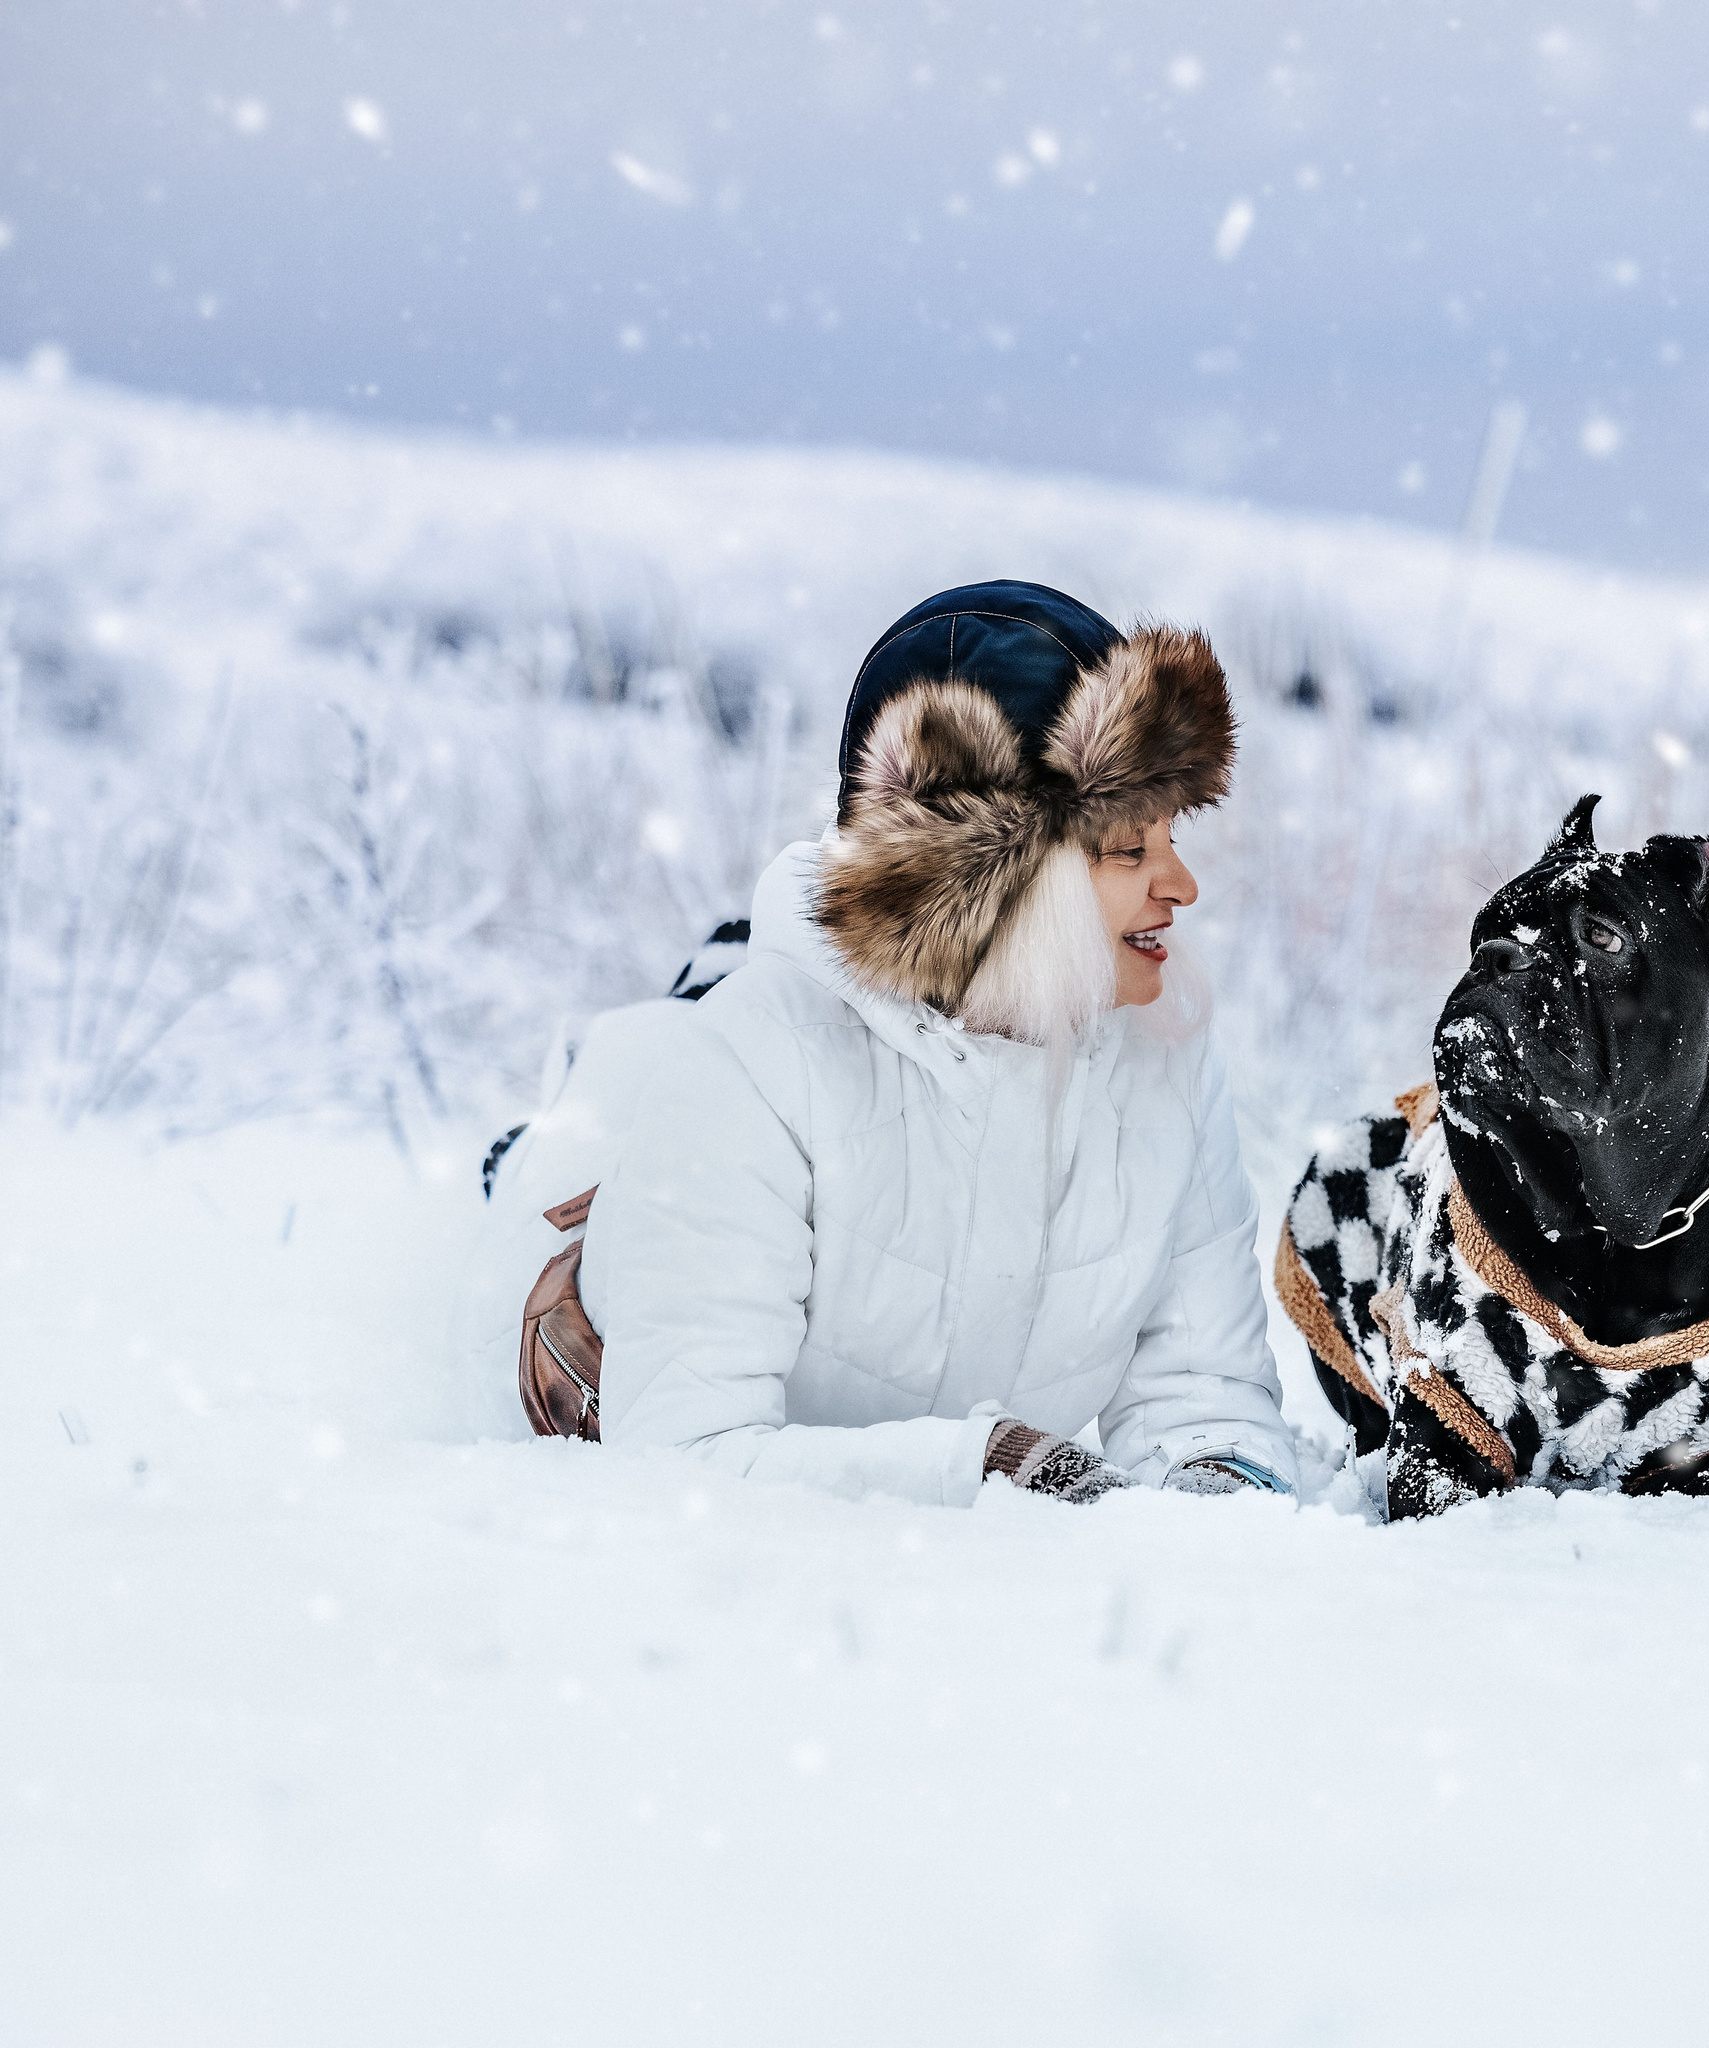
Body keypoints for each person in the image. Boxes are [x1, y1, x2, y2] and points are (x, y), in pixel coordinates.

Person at [459, 580, 1296, 1505]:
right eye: (1127, 852)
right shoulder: (749, 1067)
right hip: (582, 1322)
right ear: (982, 882)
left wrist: (1222, 1499)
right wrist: (989, 1469)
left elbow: (1205, 1398)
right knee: (631, 1085)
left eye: (1172, 836)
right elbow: (682, 1465)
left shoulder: (1165, 1063)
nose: (1182, 883)